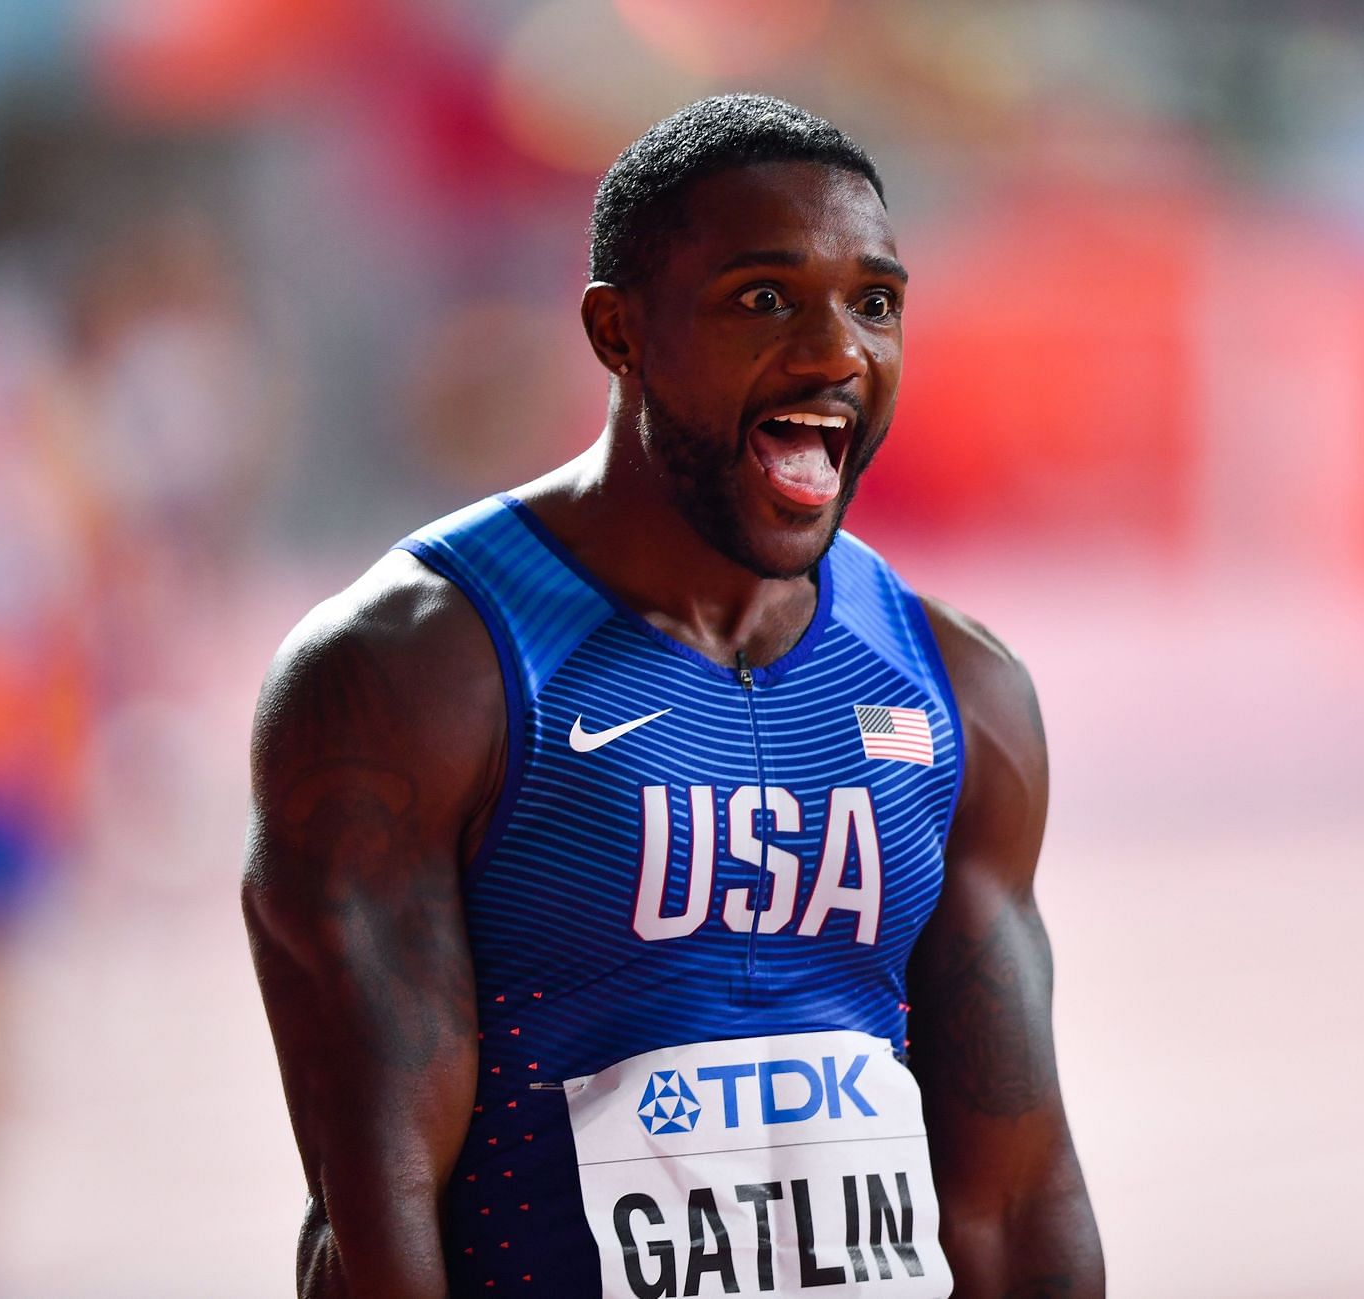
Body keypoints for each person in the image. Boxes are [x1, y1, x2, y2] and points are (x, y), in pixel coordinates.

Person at [243, 95, 1103, 1298]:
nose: (837, 351)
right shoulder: (416, 674)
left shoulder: (961, 692)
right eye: (765, 298)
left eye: (875, 302)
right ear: (619, 332)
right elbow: (374, 1215)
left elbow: (1016, 1197)